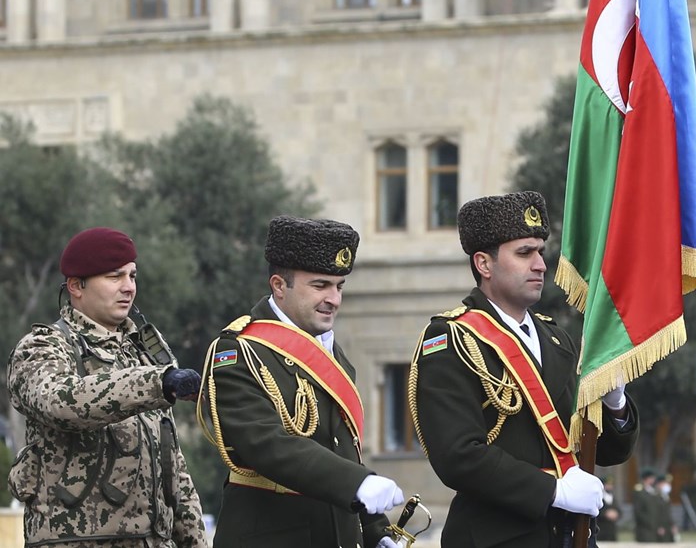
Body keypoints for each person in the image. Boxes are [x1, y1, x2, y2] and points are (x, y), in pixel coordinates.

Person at [408, 190, 639, 547]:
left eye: (540, 252)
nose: (540, 265)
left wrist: (615, 403)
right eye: (524, 253)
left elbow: (604, 450)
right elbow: (458, 455)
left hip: (569, 535)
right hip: (498, 537)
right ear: (484, 264)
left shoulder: (557, 338)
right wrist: (552, 490)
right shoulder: (451, 339)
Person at [199, 216, 404, 548]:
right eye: (320, 285)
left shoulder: (331, 352)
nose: (334, 299)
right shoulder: (239, 351)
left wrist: (374, 530)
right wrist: (357, 483)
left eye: (339, 286)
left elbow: (343, 451)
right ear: (279, 286)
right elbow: (266, 443)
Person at [7, 227, 208, 547]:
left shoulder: (141, 353)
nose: (128, 287)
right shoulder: (44, 347)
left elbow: (174, 468)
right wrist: (156, 382)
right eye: (115, 277)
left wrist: (194, 541)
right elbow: (60, 403)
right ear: (76, 286)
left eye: (132, 276)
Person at [633, 469, 671, 543]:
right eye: (652, 478)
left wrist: (658, 525)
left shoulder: (654, 492)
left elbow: (658, 511)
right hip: (645, 529)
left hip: (654, 528)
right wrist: (650, 523)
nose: (653, 480)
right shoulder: (640, 492)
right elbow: (639, 511)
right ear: (647, 478)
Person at [598, 476, 621, 541]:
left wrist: (616, 514)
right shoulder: (599, 497)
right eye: (608, 484)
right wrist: (605, 514)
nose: (610, 486)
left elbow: (619, 510)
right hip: (601, 529)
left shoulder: (613, 498)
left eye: (611, 485)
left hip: (612, 531)